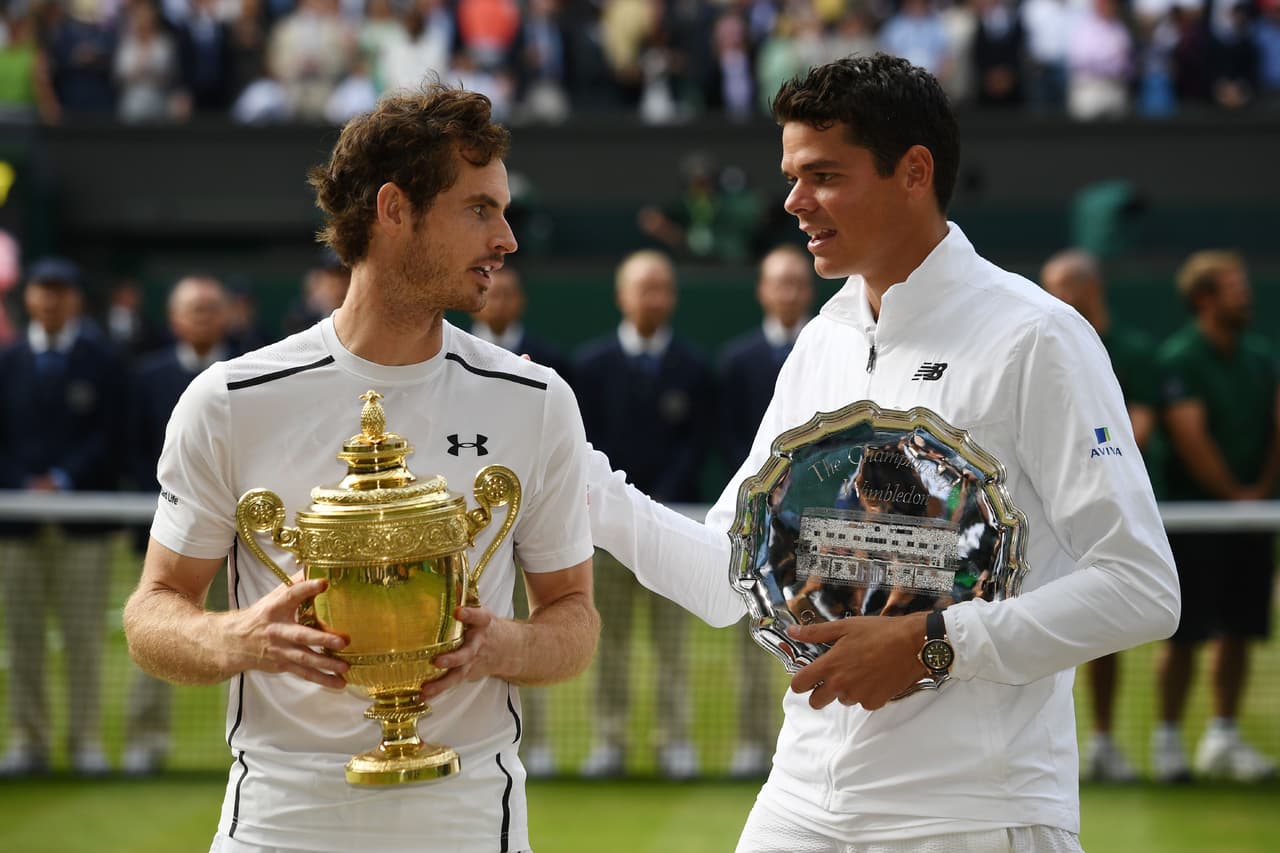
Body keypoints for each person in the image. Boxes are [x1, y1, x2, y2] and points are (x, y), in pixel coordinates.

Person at [584, 54, 1179, 851]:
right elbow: (728, 574)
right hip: (800, 799)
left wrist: (932, 641)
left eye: (823, 175)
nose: (794, 202)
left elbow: (1141, 586)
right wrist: (578, 476)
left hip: (972, 810)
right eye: (792, 175)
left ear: (914, 172)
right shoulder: (822, 341)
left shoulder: (1037, 336)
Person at [122, 86, 600, 853]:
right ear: (394, 209)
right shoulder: (229, 400)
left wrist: (497, 644)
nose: (506, 238)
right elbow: (151, 614)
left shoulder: (538, 400)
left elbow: (574, 617)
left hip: (473, 823)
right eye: (480, 209)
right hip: (279, 826)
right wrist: (239, 637)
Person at [573, 249, 714, 779]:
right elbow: (586, 444)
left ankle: (674, 741)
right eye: (643, 288)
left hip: (674, 527)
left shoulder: (695, 368)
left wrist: (658, 507)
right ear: (621, 297)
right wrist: (619, 507)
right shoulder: (590, 366)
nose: (653, 298)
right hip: (607, 536)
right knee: (609, 645)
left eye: (662, 288)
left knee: (671, 648)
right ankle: (609, 742)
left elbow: (697, 446)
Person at [1150, 250, 1278, 784]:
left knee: (1241, 630)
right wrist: (1234, 495)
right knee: (1184, 634)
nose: (1244, 294)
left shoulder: (1261, 354)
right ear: (1204, 298)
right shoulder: (1180, 357)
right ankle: (1168, 742)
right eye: (1233, 286)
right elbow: (1189, 434)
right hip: (1195, 518)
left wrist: (1260, 494)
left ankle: (1222, 737)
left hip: (1253, 516)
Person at [0, 257, 126, 777]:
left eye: (61, 291)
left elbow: (113, 436)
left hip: (83, 524)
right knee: (22, 637)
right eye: (42, 291)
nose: (51, 301)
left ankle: (85, 743)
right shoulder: (7, 362)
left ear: (75, 300)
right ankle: (28, 742)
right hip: (17, 523)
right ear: (27, 299)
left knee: (82, 637)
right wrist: (27, 484)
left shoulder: (104, 362)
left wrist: (63, 480)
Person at [1041, 248, 1160, 783]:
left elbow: (1136, 427)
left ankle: (1108, 741)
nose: (1054, 296)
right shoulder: (1046, 347)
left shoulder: (1130, 350)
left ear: (1089, 289)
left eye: (1063, 285)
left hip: (1116, 514)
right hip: (1048, 522)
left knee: (1113, 625)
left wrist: (1083, 461)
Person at [122, 274, 239, 776]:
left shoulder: (252, 369)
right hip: (172, 532)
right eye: (195, 309)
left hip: (245, 537)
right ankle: (144, 744)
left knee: (248, 637)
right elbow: (131, 449)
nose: (204, 318)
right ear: (174, 319)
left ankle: (246, 742)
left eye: (212, 308)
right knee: (162, 622)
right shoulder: (146, 377)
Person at [466, 262, 570, 776]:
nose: (499, 300)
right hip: (475, 535)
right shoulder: (450, 367)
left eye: (509, 291)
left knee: (539, 630)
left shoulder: (548, 370)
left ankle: (541, 744)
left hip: (533, 523)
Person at [718, 242, 814, 778]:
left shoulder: (831, 353)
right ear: (762, 290)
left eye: (798, 283)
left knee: (815, 632)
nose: (790, 293)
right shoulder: (737, 360)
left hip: (817, 530)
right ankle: (752, 744)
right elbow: (733, 441)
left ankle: (805, 749)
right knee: (753, 640)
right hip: (755, 529)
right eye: (780, 282)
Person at [469, 264, 570, 381]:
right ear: (474, 300)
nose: (500, 304)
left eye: (508, 295)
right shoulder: (454, 352)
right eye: (493, 295)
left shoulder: (549, 361)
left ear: (521, 300)